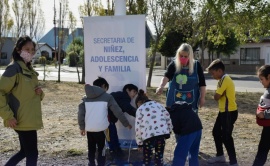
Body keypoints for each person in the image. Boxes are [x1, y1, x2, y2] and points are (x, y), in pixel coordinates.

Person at [0, 36, 44, 166]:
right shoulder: (14, 69)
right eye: (27, 49)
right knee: (32, 153)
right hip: (21, 119)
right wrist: (8, 116)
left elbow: (31, 94)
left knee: (25, 151)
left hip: (29, 118)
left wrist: (40, 93)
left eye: (32, 50)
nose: (30, 52)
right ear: (19, 50)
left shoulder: (29, 70)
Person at [78, 77, 132, 166]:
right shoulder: (107, 97)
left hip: (90, 128)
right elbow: (117, 111)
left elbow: (81, 114)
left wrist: (82, 127)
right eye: (106, 88)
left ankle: (91, 163)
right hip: (102, 128)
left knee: (91, 148)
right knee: (101, 149)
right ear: (104, 86)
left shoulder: (85, 98)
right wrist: (126, 123)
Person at [156, 43, 206, 113]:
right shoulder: (174, 64)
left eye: (185, 56)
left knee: (189, 121)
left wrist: (202, 98)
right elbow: (167, 76)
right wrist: (161, 86)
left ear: (190, 56)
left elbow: (202, 83)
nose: (183, 58)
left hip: (191, 100)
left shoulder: (197, 66)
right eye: (181, 56)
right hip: (174, 99)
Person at [206, 59, 238, 166]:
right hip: (223, 111)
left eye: (213, 73)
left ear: (219, 71)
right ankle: (220, 156)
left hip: (229, 112)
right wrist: (218, 94)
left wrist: (217, 94)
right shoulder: (221, 80)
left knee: (226, 137)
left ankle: (233, 162)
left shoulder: (225, 79)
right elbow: (218, 95)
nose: (212, 76)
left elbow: (216, 97)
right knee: (216, 132)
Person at [135, 89, 172, 166]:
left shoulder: (140, 109)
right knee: (159, 156)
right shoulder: (159, 105)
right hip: (161, 135)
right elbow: (168, 118)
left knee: (147, 157)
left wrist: (140, 143)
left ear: (139, 103)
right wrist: (169, 131)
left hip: (148, 137)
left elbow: (138, 128)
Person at [167, 101, 202, 166]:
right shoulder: (183, 108)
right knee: (193, 153)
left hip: (188, 131)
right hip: (198, 128)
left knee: (179, 154)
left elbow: (176, 129)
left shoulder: (172, 115)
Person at [107, 84, 138, 156]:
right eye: (134, 91)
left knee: (113, 137)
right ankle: (115, 155)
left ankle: (116, 153)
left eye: (136, 93)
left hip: (107, 119)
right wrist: (141, 114)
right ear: (127, 90)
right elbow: (128, 109)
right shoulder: (124, 97)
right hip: (108, 120)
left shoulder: (117, 95)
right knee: (112, 138)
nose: (134, 94)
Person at [253, 65, 270, 166]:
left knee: (262, 152)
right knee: (262, 152)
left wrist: (264, 114)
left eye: (262, 79)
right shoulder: (268, 89)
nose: (261, 81)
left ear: (269, 76)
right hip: (267, 127)